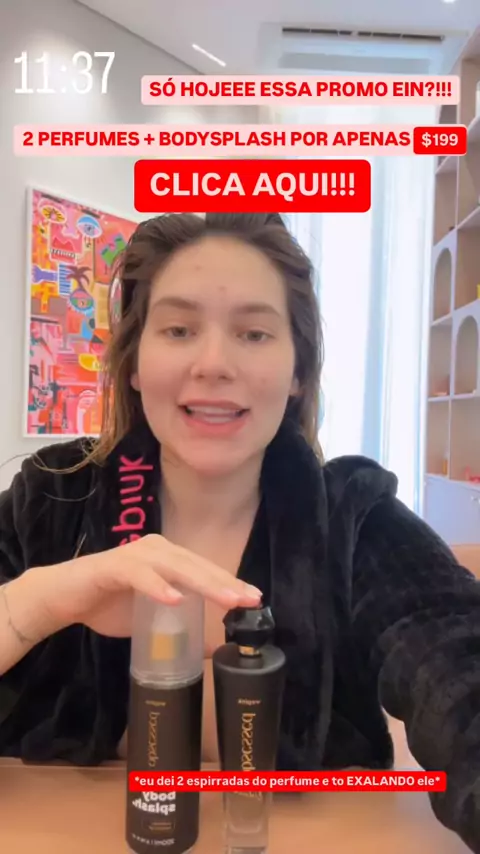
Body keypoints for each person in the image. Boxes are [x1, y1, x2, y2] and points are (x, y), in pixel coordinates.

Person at [0, 211, 479, 851]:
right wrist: (41, 601)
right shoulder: (54, 497)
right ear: (134, 363)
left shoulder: (354, 518)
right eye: (178, 329)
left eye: (254, 333)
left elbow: (459, 674)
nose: (214, 363)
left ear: (299, 372)